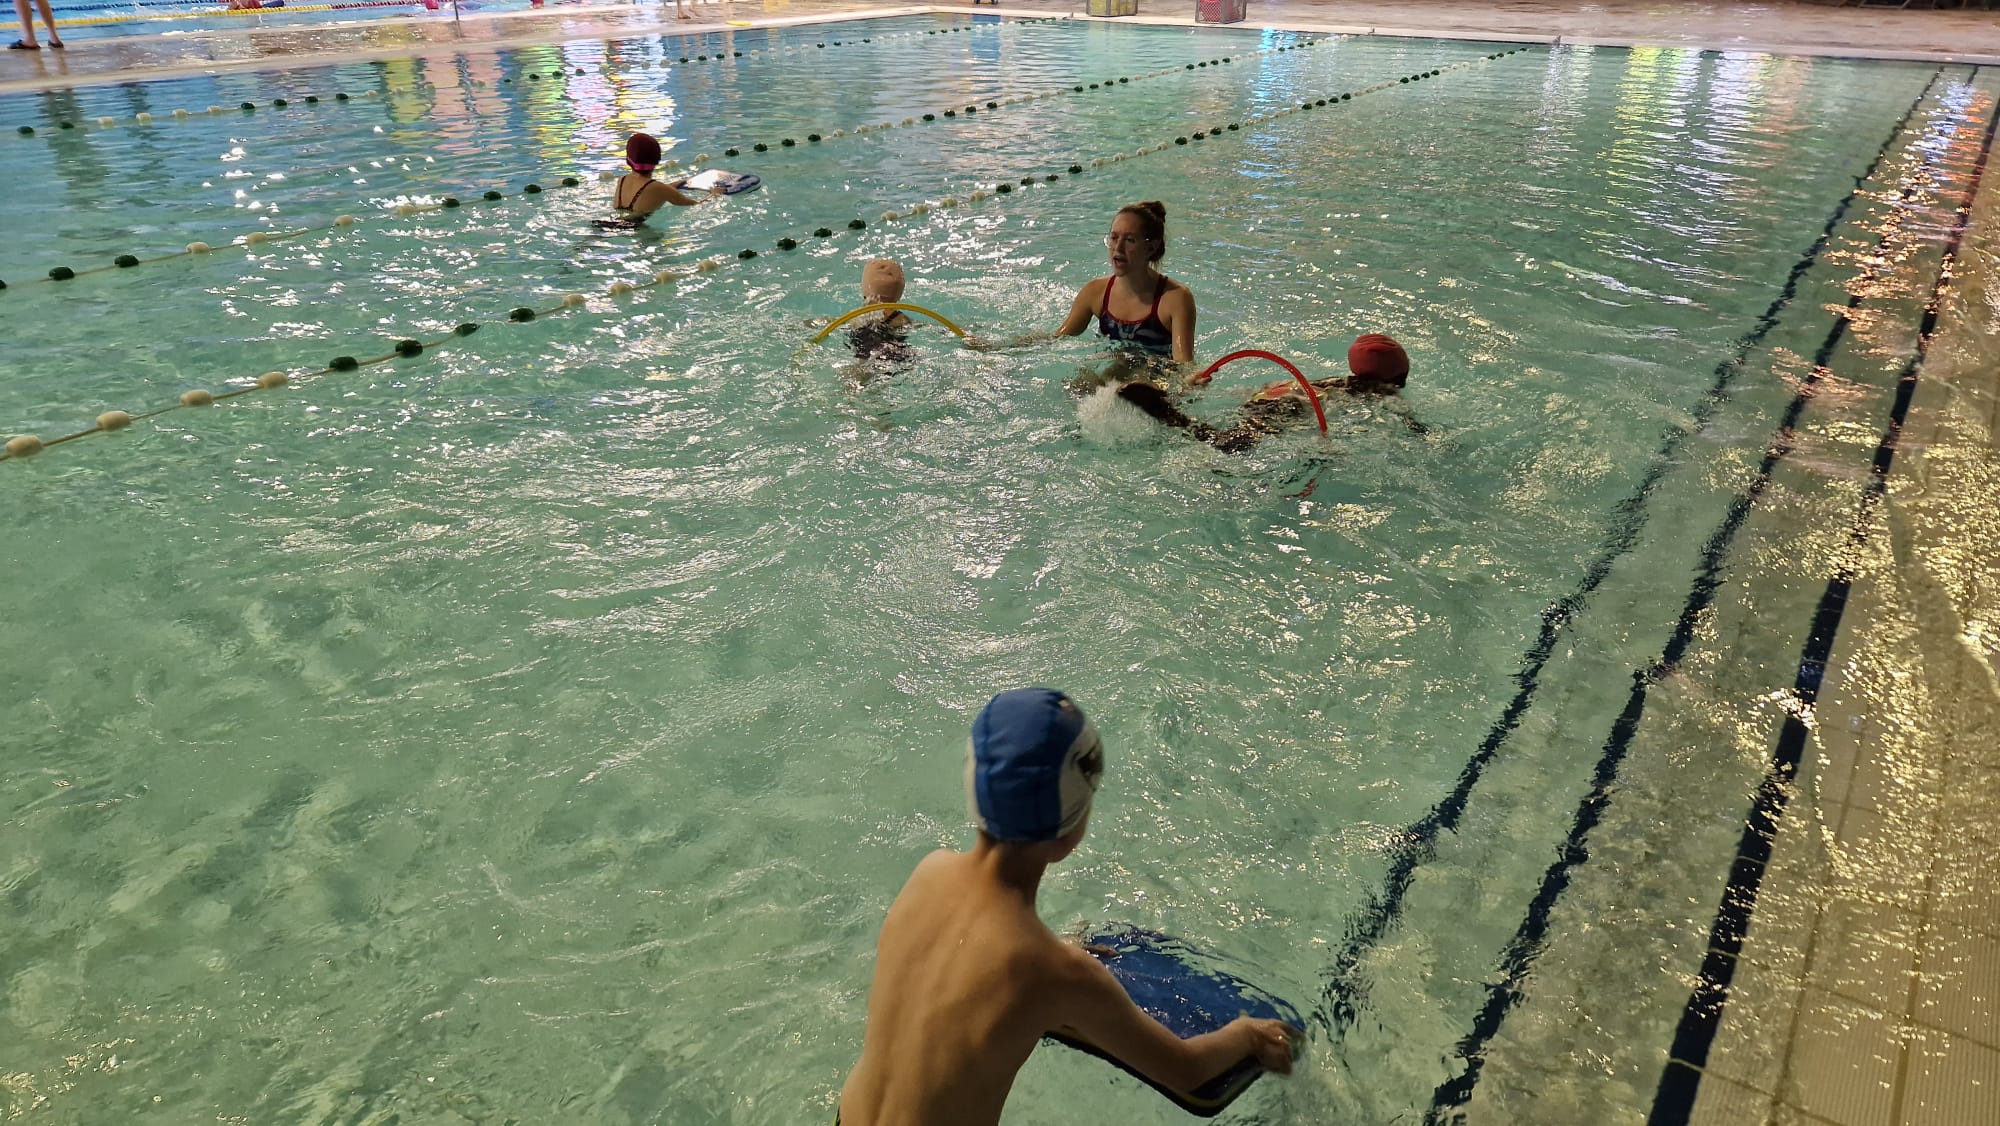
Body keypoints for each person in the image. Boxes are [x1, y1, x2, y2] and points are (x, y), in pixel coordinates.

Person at [837, 688, 1297, 1126]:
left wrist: (1052, 956)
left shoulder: (928, 873)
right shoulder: (1057, 973)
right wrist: (1248, 1034)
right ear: (1072, 831)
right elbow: (1186, 1069)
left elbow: (964, 981)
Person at [1118, 333, 1422, 451]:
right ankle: (1175, 418)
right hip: (1293, 405)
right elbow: (1406, 422)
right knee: (1231, 445)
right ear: (1397, 377)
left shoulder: (1338, 380)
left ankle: (1173, 404)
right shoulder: (1384, 392)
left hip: (1276, 392)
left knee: (1242, 427)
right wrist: (1425, 433)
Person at [1057, 200, 1196, 370]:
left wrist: (1192, 379)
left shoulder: (1176, 299)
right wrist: (1029, 342)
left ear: (1151, 247)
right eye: (1114, 238)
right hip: (1115, 367)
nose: (1118, 247)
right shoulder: (1095, 292)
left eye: (1130, 240)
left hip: (1156, 376)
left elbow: (1184, 365)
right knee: (1083, 379)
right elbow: (1058, 338)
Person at [606, 133, 709, 222]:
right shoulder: (659, 188)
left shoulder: (622, 179)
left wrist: (675, 185)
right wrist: (715, 194)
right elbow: (695, 204)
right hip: (635, 229)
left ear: (628, 160)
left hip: (610, 222)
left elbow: (650, 192)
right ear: (657, 160)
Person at [845, 258, 915, 370]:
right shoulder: (901, 318)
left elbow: (834, 323)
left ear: (866, 287)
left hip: (869, 358)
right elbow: (917, 326)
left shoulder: (856, 315)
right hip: (899, 356)